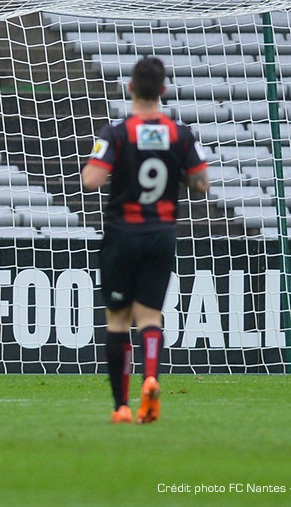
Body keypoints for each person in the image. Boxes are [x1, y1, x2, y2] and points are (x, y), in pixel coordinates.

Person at [81, 56, 209, 425]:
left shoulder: (117, 132)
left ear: (131, 88)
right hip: (162, 233)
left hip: (123, 233)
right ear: (163, 90)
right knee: (150, 316)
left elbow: (91, 180)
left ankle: (122, 406)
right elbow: (201, 183)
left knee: (118, 320)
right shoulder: (180, 133)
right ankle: (150, 378)